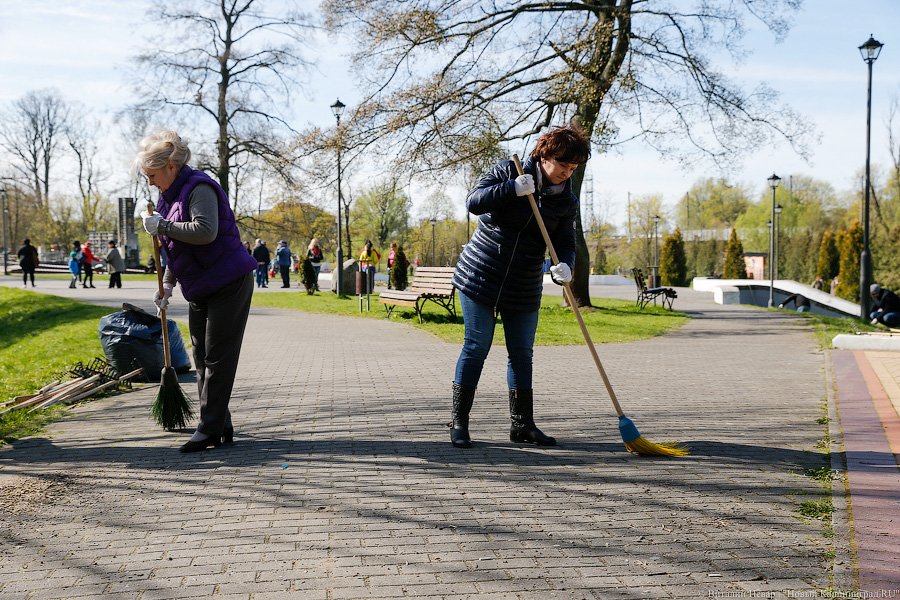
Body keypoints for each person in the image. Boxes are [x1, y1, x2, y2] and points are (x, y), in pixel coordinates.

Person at [449, 124, 590, 449]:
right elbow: (474, 201)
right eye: (563, 165)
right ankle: (459, 422)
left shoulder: (565, 200)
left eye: (573, 168)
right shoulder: (508, 170)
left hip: (523, 282)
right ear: (545, 155)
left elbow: (564, 240)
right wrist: (511, 188)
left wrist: (566, 264)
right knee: (477, 347)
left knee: (521, 354)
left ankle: (522, 425)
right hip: (482, 273)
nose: (567, 173)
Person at [136, 129, 258, 453]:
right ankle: (220, 423)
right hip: (201, 286)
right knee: (201, 357)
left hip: (228, 282)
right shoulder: (167, 196)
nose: (149, 182)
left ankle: (208, 429)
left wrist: (162, 226)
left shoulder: (199, 187)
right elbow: (178, 248)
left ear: (170, 167)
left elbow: (205, 231)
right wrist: (167, 285)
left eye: (151, 174)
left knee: (218, 358)